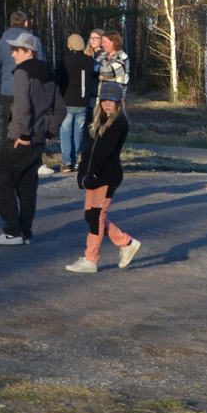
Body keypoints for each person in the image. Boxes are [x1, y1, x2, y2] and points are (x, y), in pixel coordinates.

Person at [0, 31, 62, 247]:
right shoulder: (48, 73)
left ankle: (12, 232)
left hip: (22, 139)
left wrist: (24, 135)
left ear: (28, 52)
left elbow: (22, 107)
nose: (13, 55)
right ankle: (26, 232)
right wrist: (48, 133)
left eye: (16, 50)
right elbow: (61, 110)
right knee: (28, 187)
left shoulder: (22, 73)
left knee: (2, 183)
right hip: (38, 142)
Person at [67, 82, 140, 274]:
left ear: (120, 102)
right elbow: (88, 151)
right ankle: (127, 243)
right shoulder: (99, 120)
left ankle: (91, 259)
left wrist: (92, 174)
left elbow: (104, 153)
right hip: (93, 176)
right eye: (104, 100)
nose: (108, 104)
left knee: (97, 217)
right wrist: (83, 173)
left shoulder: (119, 123)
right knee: (91, 216)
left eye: (112, 101)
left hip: (106, 176)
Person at [57, 33, 95, 173]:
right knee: (78, 132)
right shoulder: (89, 60)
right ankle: (76, 160)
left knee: (65, 131)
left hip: (67, 100)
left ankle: (66, 162)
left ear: (69, 46)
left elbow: (58, 78)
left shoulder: (66, 60)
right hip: (83, 102)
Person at [93, 28, 130, 95]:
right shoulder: (102, 56)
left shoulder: (122, 57)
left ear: (113, 42)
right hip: (99, 98)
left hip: (115, 99)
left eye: (105, 42)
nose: (102, 45)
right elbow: (92, 67)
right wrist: (100, 75)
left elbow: (109, 71)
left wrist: (98, 73)